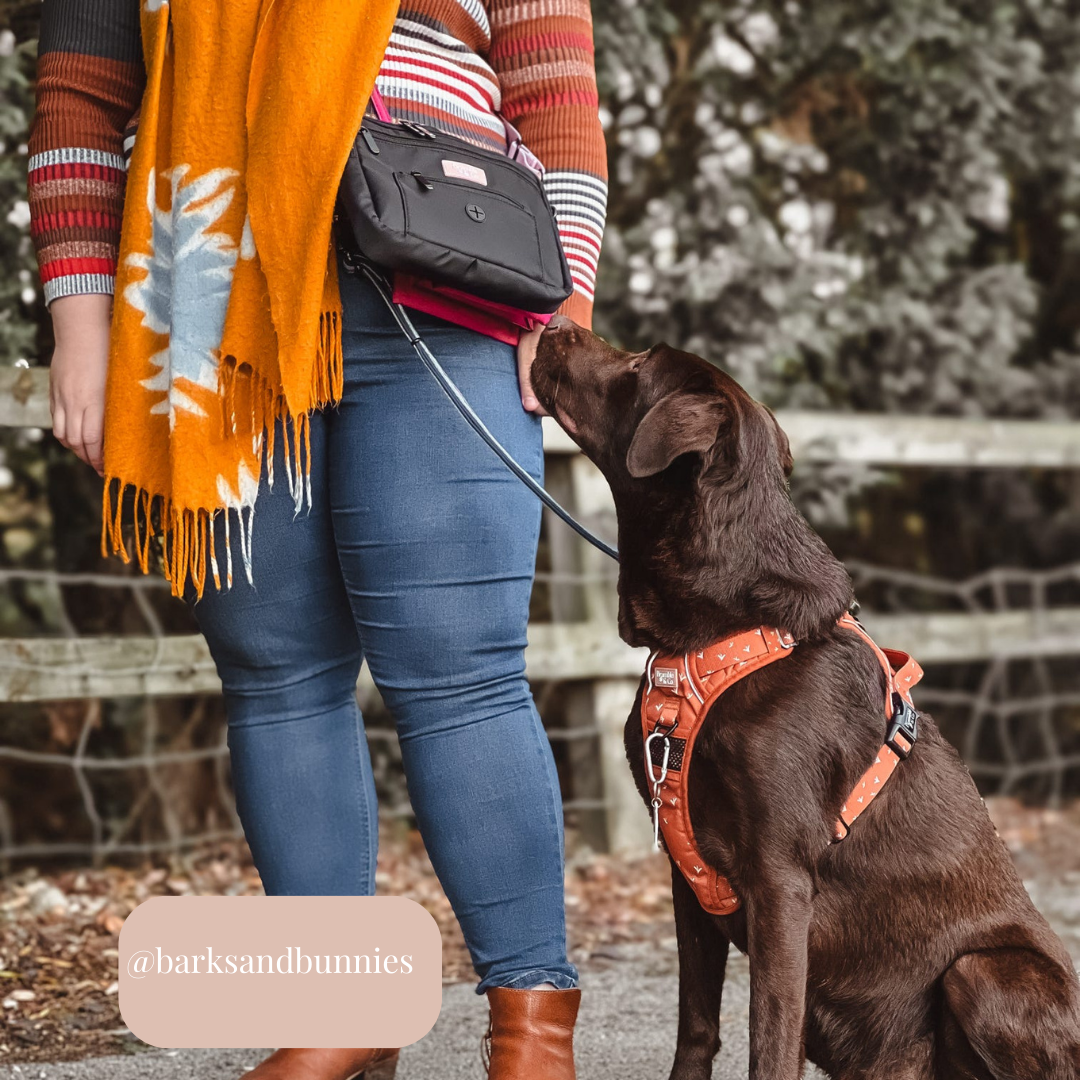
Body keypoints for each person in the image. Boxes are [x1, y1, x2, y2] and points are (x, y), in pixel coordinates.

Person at [28, 0, 607, 1077]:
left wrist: (566, 302)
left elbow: (554, 83)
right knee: (273, 669)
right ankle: (338, 1013)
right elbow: (79, 91)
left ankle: (533, 1030)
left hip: (449, 268)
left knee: (460, 671)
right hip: (211, 290)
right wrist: (81, 319)